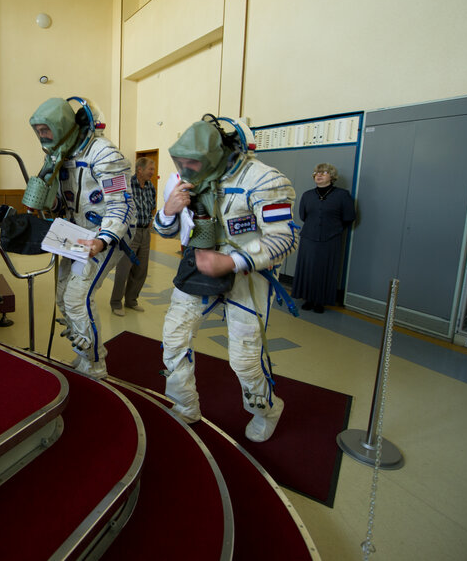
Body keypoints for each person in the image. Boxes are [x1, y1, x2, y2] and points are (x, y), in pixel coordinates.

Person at [154, 115, 298, 442]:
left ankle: (266, 408)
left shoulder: (263, 180)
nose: (186, 167)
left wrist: (232, 261)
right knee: (174, 340)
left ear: (216, 154)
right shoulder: (181, 179)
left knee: (245, 358)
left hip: (247, 273)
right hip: (198, 266)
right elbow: (164, 230)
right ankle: (184, 405)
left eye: (194, 161)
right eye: (181, 161)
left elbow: (285, 238)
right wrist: (168, 210)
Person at [25, 97, 135, 379]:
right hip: (76, 234)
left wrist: (104, 239)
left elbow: (121, 203)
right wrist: (46, 201)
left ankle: (96, 365)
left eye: (46, 130)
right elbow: (63, 204)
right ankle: (84, 354)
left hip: (106, 236)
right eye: (38, 130)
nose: (42, 136)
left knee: (77, 298)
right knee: (63, 296)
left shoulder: (105, 154)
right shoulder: (59, 156)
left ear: (61, 126)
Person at [292, 163, 356, 314]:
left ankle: (321, 301)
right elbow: (303, 215)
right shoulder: (307, 195)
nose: (318, 175)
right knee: (308, 268)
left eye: (323, 173)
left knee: (325, 269)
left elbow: (349, 217)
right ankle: (307, 298)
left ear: (332, 177)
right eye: (316, 173)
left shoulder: (342, 195)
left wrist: (335, 229)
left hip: (330, 238)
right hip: (309, 237)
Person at [110, 157, 157, 316]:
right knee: (123, 269)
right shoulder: (127, 184)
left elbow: (152, 206)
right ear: (139, 170)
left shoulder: (151, 187)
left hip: (145, 233)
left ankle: (131, 300)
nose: (153, 172)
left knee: (141, 269)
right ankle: (116, 302)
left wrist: (150, 221)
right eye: (150, 169)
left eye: (153, 169)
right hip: (130, 233)